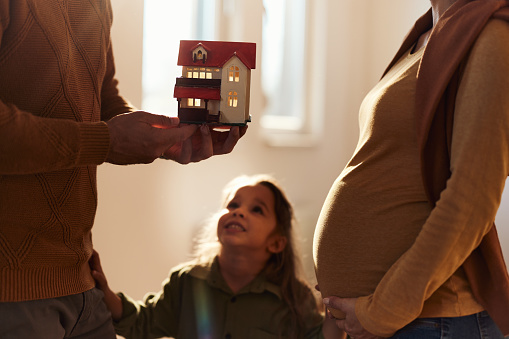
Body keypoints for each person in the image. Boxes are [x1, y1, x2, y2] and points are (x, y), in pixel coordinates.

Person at [0, 1, 245, 338]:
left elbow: (103, 100)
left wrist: (161, 138)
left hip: (82, 280)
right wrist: (108, 140)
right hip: (11, 293)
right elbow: (103, 134)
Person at [313, 0, 509, 338]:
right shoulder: (426, 35)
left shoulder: (493, 34)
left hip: (432, 322)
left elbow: (471, 200)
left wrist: (381, 311)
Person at [90, 174, 339, 339]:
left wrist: (336, 309)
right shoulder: (186, 282)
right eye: (233, 205)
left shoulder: (294, 298)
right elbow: (144, 321)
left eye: (256, 209)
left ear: (276, 243)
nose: (239, 212)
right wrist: (104, 292)